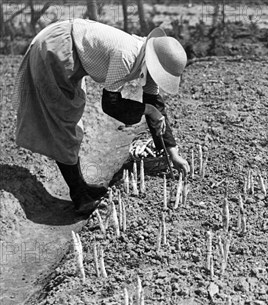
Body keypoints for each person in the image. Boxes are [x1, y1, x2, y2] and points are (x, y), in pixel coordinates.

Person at [14, 19, 190, 215]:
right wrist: (148, 110)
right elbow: (110, 104)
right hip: (57, 48)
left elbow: (155, 106)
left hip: (71, 50)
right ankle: (80, 196)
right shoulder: (127, 55)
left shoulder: (146, 64)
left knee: (71, 113)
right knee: (63, 118)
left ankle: (81, 187)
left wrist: (172, 153)